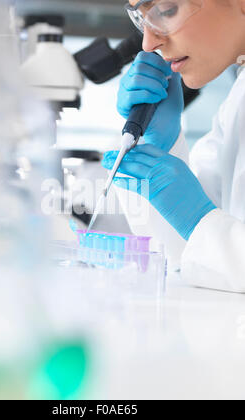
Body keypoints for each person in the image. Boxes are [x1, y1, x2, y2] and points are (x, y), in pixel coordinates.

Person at [102, 0, 245, 292]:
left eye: (166, 11)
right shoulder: (239, 99)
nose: (148, 42)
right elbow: (188, 255)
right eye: (141, 19)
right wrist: (162, 145)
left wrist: (198, 220)